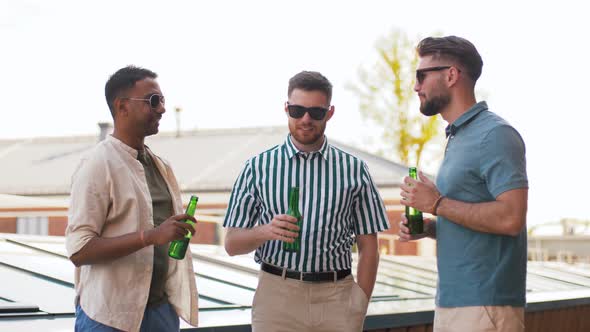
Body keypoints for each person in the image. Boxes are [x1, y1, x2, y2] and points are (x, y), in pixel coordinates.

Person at [223, 71, 390, 332]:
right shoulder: (257, 167)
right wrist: (266, 231)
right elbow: (231, 244)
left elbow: (369, 246)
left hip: (338, 297)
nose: (306, 119)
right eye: (297, 110)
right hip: (276, 297)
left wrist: (360, 301)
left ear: (330, 112)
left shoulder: (354, 169)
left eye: (316, 112)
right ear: (286, 108)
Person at [399, 36, 528, 332]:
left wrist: (437, 204)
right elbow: (473, 215)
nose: (416, 86)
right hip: (454, 305)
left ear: (451, 75)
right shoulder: (459, 137)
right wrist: (431, 226)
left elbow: (511, 218)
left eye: (421, 75)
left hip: (485, 307)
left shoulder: (495, 135)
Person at [65, 66, 199, 332]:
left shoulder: (162, 166)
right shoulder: (97, 164)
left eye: (162, 100)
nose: (161, 109)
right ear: (122, 106)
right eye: (153, 100)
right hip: (109, 318)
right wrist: (149, 236)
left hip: (161, 312)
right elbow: (79, 250)